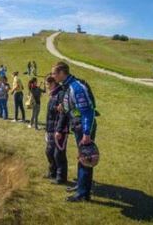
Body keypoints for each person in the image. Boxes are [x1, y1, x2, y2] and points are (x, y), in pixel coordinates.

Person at [51, 61, 97, 202]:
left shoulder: (76, 87)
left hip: (84, 128)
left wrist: (86, 134)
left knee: (86, 159)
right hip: (77, 126)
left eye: (54, 73)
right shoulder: (67, 86)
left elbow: (88, 112)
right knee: (81, 157)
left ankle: (83, 194)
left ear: (62, 73)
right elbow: (69, 109)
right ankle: (81, 185)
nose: (53, 76)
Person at [44, 76, 64, 180]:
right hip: (51, 127)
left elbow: (62, 113)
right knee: (49, 151)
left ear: (52, 84)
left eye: (47, 84)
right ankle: (52, 172)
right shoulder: (53, 94)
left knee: (56, 153)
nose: (46, 87)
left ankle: (59, 175)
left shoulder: (60, 94)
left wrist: (59, 129)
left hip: (57, 128)